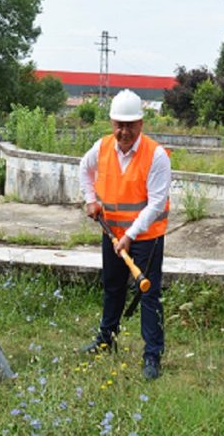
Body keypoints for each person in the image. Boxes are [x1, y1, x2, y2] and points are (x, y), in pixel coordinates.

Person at [78, 89, 171, 380]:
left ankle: (152, 354)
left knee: (148, 295)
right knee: (112, 287)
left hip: (146, 237)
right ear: (111, 122)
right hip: (112, 233)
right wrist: (90, 199)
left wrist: (130, 235)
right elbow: (84, 169)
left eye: (130, 125)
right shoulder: (102, 147)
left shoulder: (156, 155)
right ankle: (106, 339)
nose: (124, 131)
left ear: (141, 124)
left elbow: (156, 204)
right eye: (119, 124)